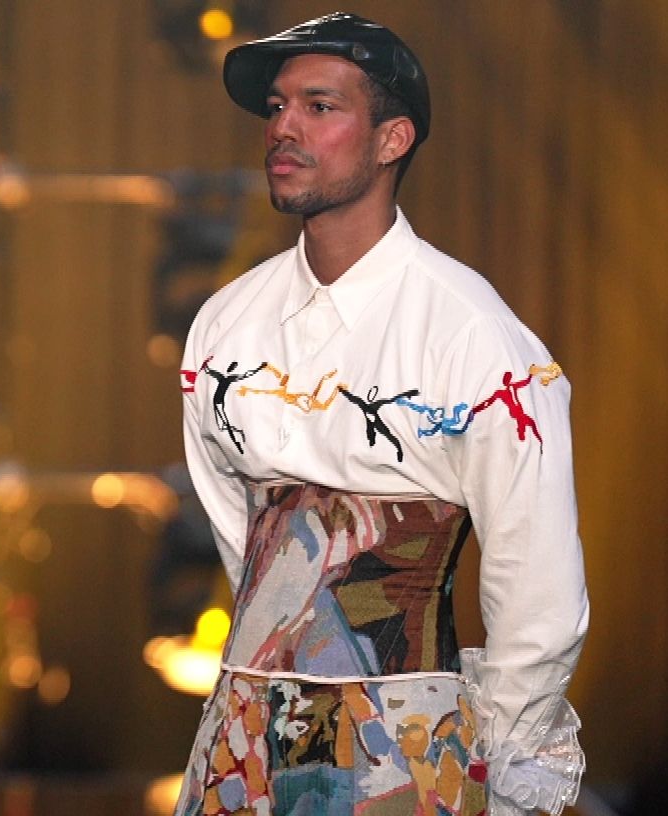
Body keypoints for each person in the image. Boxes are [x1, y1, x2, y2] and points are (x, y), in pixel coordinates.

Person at [174, 13, 588, 816]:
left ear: (392, 139)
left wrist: (500, 763)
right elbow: (236, 533)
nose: (284, 126)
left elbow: (536, 582)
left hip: (404, 740)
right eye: (277, 107)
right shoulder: (227, 324)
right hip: (242, 733)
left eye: (319, 107)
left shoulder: (474, 335)